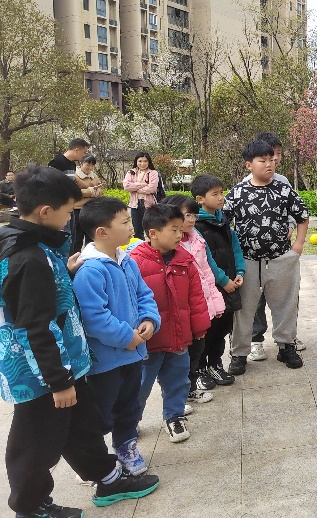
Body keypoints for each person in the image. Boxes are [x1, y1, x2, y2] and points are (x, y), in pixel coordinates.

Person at [0, 165, 158, 518]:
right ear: (46, 212)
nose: (70, 218)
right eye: (68, 211)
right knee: (35, 442)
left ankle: (108, 478)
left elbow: (42, 300)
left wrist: (65, 274)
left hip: (65, 363)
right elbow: (34, 327)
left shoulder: (36, 245)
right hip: (41, 374)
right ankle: (29, 507)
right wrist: (58, 381)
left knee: (80, 426)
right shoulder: (28, 257)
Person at [74, 197, 161, 476]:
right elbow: (94, 318)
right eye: (124, 222)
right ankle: (94, 461)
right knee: (101, 413)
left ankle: (126, 447)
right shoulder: (90, 270)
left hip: (132, 354)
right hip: (106, 361)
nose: (131, 226)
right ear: (102, 232)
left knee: (129, 407)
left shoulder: (127, 261)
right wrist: (127, 337)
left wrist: (149, 320)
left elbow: (144, 295)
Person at [223, 139, 310, 372]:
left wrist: (298, 244)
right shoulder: (238, 193)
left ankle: (286, 346)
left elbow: (302, 216)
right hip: (247, 262)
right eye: (263, 160)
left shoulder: (284, 190)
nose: (269, 164)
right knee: (244, 309)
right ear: (248, 165)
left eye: (271, 159)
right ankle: (239, 353)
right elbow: (223, 223)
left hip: (281, 259)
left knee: (286, 305)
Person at [130, 204, 211, 443]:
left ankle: (174, 416)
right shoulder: (135, 262)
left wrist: (199, 326)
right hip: (148, 340)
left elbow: (196, 297)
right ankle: (130, 422)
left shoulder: (185, 260)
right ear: (153, 233)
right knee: (140, 385)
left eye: (180, 229)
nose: (179, 235)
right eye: (173, 230)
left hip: (178, 335)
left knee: (178, 380)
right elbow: (130, 301)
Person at [244, 133, 306, 361]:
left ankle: (287, 340)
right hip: (253, 257)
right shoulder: (245, 186)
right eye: (269, 156)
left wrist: (293, 233)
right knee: (255, 299)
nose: (274, 160)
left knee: (285, 298)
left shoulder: (283, 182)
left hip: (280, 253)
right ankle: (256, 340)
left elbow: (295, 211)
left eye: (277, 155)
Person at [164, 194, 227, 404]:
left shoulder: (196, 237)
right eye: (186, 215)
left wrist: (216, 298)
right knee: (180, 356)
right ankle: (176, 398)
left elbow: (207, 269)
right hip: (181, 308)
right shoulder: (168, 245)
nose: (191, 220)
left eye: (193, 215)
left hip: (201, 302)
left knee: (198, 348)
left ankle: (190, 389)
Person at [192, 174, 244, 386]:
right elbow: (206, 260)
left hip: (229, 284)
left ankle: (215, 364)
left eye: (222, 193)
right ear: (200, 199)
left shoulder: (223, 220)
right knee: (209, 329)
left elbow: (235, 247)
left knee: (223, 328)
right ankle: (200, 368)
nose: (221, 197)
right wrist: (223, 281)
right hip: (212, 288)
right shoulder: (196, 226)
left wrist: (240, 271)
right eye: (215, 194)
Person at [71, 154, 104, 255]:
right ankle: (75, 258)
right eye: (87, 165)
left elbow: (101, 190)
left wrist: (91, 192)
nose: (90, 167)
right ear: (81, 164)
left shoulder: (94, 176)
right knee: (77, 237)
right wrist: (91, 192)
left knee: (91, 236)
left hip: (92, 209)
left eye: (92, 165)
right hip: (78, 209)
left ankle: (89, 257)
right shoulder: (74, 176)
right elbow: (75, 192)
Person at [122, 152, 160, 240]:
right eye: (140, 161)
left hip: (149, 204)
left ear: (149, 162)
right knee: (137, 230)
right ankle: (139, 246)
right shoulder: (131, 172)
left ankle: (151, 246)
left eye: (145, 161)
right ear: (136, 161)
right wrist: (141, 184)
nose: (142, 164)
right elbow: (126, 186)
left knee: (150, 229)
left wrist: (135, 189)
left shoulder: (153, 173)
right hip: (135, 204)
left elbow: (152, 188)